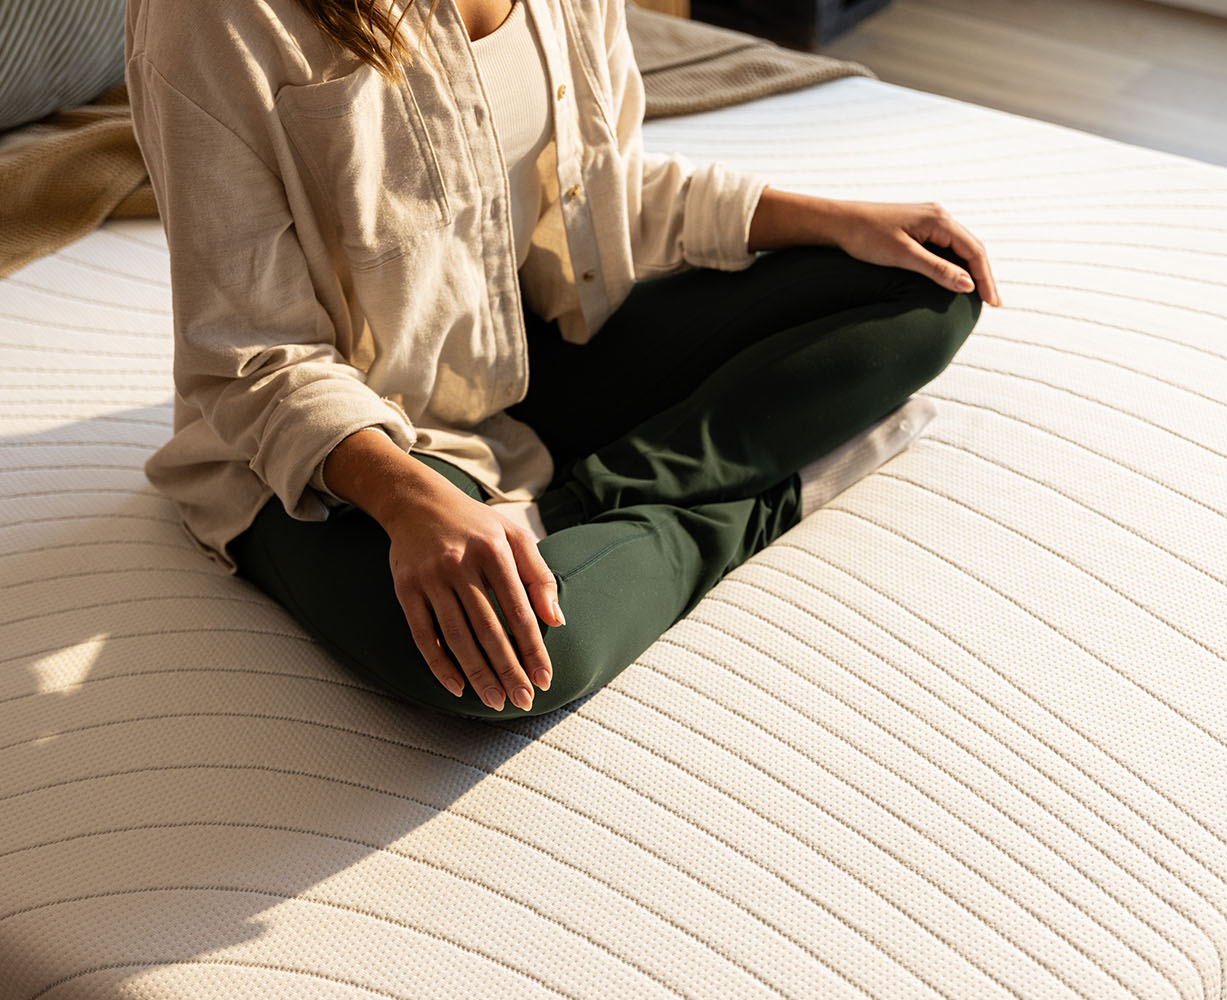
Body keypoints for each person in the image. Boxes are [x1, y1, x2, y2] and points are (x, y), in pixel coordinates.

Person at [124, 0, 999, 722]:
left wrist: (829, 217)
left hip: (527, 353)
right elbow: (250, 352)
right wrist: (413, 500)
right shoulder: (211, 16)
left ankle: (587, 501)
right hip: (343, 451)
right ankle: (763, 500)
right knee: (514, 661)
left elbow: (596, 191)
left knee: (926, 287)